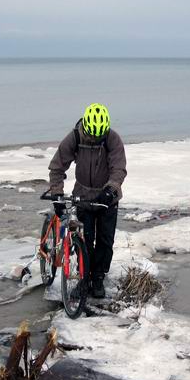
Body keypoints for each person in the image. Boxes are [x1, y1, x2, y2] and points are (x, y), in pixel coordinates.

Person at [46, 103, 127, 298]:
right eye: (91, 136)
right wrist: (57, 194)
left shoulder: (112, 139)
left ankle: (98, 277)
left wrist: (111, 190)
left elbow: (119, 169)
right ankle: (84, 278)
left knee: (105, 241)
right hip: (82, 196)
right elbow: (57, 167)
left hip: (107, 199)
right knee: (85, 240)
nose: (94, 139)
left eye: (98, 137)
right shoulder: (74, 137)